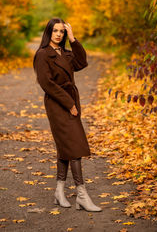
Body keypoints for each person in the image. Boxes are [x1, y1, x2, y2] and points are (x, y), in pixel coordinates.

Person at [33, 18, 102, 212]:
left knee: (66, 147)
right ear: (49, 32)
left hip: (71, 100)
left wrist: (73, 39)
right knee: (74, 146)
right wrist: (69, 103)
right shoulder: (42, 54)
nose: (58, 34)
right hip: (58, 104)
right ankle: (82, 195)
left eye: (61, 32)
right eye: (55, 31)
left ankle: (59, 191)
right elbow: (46, 84)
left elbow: (82, 62)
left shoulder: (65, 52)